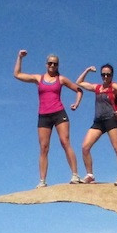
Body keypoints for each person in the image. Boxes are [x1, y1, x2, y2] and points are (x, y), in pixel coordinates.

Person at [13, 49, 83, 188]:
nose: (52, 66)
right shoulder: (39, 79)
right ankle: (42, 181)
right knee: (44, 147)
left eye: (55, 64)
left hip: (58, 113)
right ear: (46, 64)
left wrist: (76, 103)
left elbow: (79, 90)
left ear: (58, 66)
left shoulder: (61, 79)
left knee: (65, 142)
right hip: (44, 115)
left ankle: (75, 175)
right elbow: (17, 74)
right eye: (50, 63)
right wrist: (20, 57)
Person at [75, 63, 117, 186]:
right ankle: (90, 175)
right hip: (98, 121)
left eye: (108, 74)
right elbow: (79, 82)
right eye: (103, 74)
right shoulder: (97, 87)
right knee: (85, 147)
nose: (105, 77)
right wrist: (88, 69)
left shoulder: (113, 86)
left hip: (111, 119)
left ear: (111, 75)